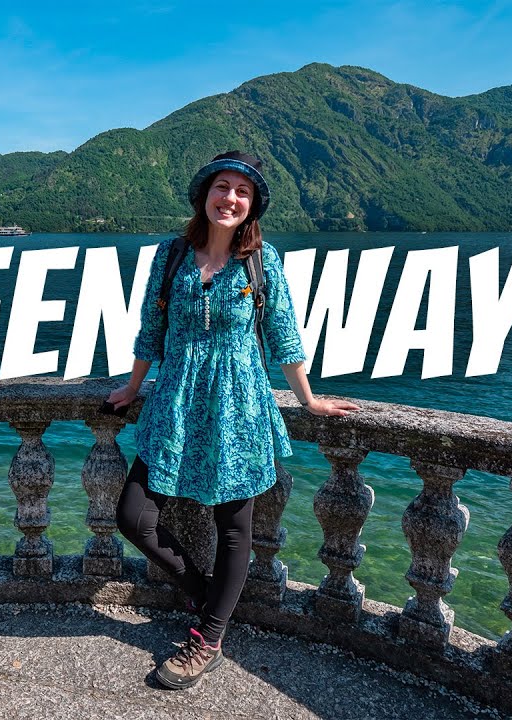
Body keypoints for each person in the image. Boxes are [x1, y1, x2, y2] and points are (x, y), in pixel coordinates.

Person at [107, 151, 360, 689]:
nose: (231, 199)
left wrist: (309, 400)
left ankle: (209, 637)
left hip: (237, 407)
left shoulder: (262, 261)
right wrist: (132, 387)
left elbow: (284, 336)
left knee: (233, 527)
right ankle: (205, 597)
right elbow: (151, 327)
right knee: (134, 516)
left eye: (242, 192)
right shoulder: (172, 256)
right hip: (175, 401)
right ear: (205, 194)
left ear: (252, 206)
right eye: (223, 187)